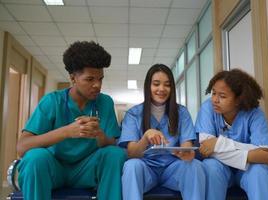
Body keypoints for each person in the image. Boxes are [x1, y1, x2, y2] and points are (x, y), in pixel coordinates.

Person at [16, 41, 127, 200]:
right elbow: (22, 147)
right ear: (73, 78)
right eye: (90, 79)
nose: (97, 85)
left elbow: (112, 143)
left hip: (86, 170)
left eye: (100, 79)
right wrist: (67, 131)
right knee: (35, 158)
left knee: (114, 154)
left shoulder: (105, 102)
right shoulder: (52, 102)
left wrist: (100, 136)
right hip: (54, 169)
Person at [118, 64, 206, 200]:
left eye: (167, 85)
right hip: (146, 169)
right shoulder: (133, 114)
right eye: (156, 84)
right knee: (131, 166)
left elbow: (187, 145)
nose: (161, 89)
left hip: (173, 169)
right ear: (148, 86)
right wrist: (146, 136)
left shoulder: (181, 112)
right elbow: (131, 153)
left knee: (195, 166)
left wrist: (186, 153)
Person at [195, 68, 268, 200]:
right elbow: (206, 149)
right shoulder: (207, 108)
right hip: (219, 170)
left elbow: (265, 152)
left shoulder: (255, 113)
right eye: (213, 93)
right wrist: (250, 155)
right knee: (210, 166)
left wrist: (218, 143)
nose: (215, 100)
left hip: (248, 171)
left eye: (222, 96)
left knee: (260, 171)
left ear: (239, 99)